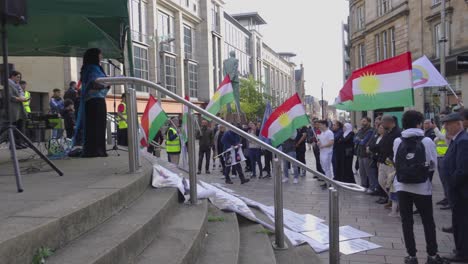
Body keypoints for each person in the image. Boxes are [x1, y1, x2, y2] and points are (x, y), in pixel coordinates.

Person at [393, 110, 447, 264]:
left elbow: (396, 161)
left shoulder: (398, 141)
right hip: (422, 187)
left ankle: (411, 256)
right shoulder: (427, 141)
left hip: (402, 186)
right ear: (419, 123)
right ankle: (432, 255)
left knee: (406, 221)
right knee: (427, 221)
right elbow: (432, 165)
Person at [441, 113, 468, 263]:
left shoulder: (463, 141)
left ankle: (462, 253)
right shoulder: (456, 140)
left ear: (458, 124)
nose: (445, 127)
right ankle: (461, 249)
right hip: (456, 190)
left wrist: (451, 184)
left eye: (448, 124)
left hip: (460, 191)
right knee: (458, 221)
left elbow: (462, 169)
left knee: (462, 223)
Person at [74, 48, 110, 158]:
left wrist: (106, 83)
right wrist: (106, 83)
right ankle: (94, 150)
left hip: (97, 100)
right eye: (100, 54)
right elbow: (93, 83)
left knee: (99, 125)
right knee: (95, 125)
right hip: (94, 100)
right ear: (95, 56)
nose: (102, 56)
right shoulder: (92, 68)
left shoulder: (92, 67)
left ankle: (98, 150)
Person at [377, 115, 401, 206]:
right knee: (381, 181)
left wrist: (391, 158)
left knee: (390, 183)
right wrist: (379, 160)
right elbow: (382, 147)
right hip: (383, 161)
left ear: (389, 123)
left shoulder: (398, 133)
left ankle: (395, 202)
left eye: (383, 123)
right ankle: (390, 198)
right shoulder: (387, 132)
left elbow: (398, 148)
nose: (382, 125)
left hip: (391, 163)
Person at [4, 71, 28, 148]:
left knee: (20, 126)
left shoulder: (17, 85)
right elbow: (10, 97)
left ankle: (19, 142)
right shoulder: (8, 84)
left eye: (20, 77)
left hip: (19, 110)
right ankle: (13, 144)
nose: (19, 79)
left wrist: (23, 98)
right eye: (17, 77)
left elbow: (20, 95)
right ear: (12, 76)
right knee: (14, 128)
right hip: (13, 110)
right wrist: (21, 99)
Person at [433, 111, 451, 210]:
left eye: (443, 116)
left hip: (445, 156)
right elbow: (438, 138)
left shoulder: (448, 127)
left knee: (447, 180)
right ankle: (446, 197)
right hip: (439, 156)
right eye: (440, 117)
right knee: (443, 180)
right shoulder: (443, 127)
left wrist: (435, 129)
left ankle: (450, 200)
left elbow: (443, 137)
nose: (441, 118)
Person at [354, 117, 377, 192]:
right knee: (362, 172)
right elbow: (354, 139)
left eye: (364, 121)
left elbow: (364, 142)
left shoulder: (371, 131)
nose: (362, 123)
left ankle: (372, 187)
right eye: (362, 121)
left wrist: (359, 140)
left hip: (367, 155)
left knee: (369, 172)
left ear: (369, 122)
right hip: (360, 153)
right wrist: (359, 140)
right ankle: (363, 186)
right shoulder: (360, 130)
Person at [317, 120, 334, 188]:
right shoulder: (322, 133)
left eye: (320, 125)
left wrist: (323, 146)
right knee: (323, 167)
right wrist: (319, 143)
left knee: (327, 168)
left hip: (327, 153)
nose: (319, 126)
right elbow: (321, 142)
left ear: (324, 125)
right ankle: (327, 181)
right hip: (322, 152)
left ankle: (329, 183)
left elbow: (331, 142)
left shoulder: (329, 132)